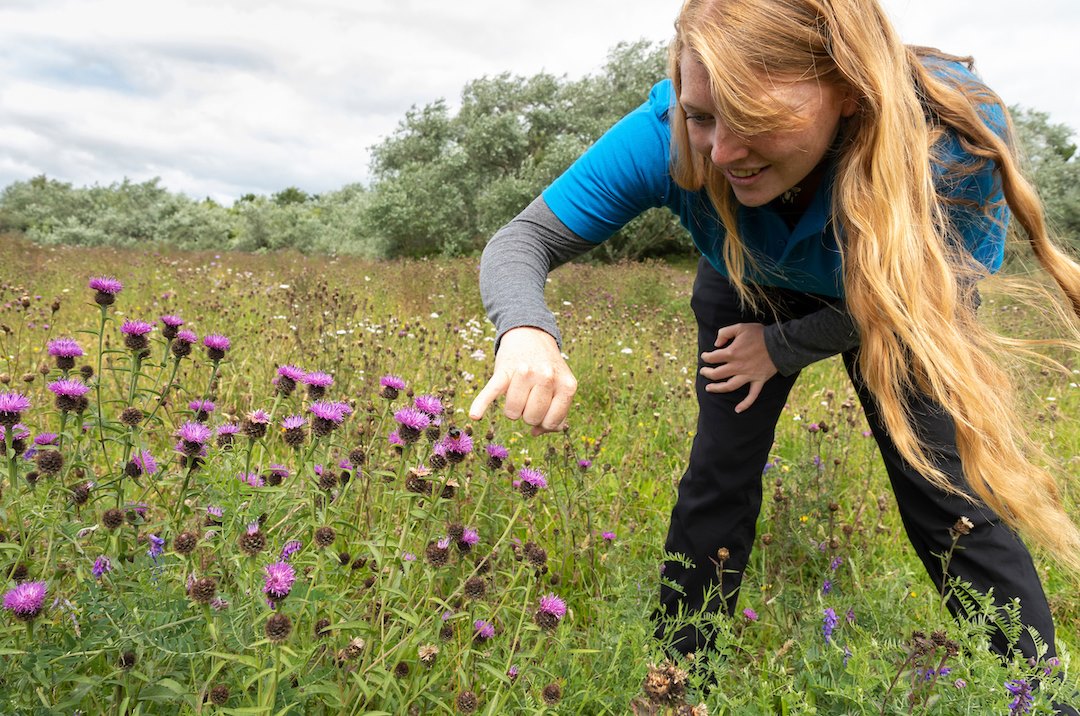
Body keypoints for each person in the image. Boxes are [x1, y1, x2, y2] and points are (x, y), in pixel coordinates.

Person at [468, 0, 1080, 703]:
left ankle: (1038, 696)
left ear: (847, 94)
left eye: (753, 120)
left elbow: (926, 302)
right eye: (703, 115)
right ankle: (675, 689)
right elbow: (524, 240)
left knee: (945, 491)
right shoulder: (670, 136)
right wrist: (526, 330)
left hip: (898, 294)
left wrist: (784, 347)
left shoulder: (949, 144)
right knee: (717, 476)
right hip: (747, 276)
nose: (721, 153)